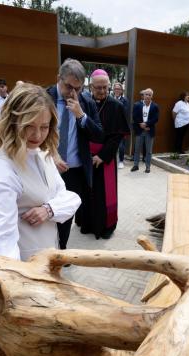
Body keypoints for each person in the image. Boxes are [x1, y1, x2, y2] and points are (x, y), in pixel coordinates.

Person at [0, 84, 80, 261]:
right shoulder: (1, 168)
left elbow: (68, 197)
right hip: (26, 265)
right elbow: (2, 239)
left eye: (44, 126)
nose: (37, 135)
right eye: (29, 125)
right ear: (12, 122)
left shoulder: (41, 153)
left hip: (48, 254)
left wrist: (48, 210)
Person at [46, 58, 103, 250]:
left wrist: (81, 116)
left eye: (77, 88)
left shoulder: (86, 102)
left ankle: (61, 252)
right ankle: (44, 250)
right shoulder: (44, 97)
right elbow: (28, 133)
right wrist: (49, 154)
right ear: (58, 78)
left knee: (65, 214)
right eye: (68, 86)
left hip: (75, 171)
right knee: (44, 211)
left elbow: (99, 135)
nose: (72, 92)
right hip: (45, 167)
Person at [80, 69, 130, 240]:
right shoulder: (84, 103)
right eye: (98, 88)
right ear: (91, 87)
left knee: (104, 194)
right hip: (86, 158)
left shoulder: (116, 106)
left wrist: (102, 156)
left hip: (105, 158)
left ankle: (106, 226)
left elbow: (118, 136)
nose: (102, 91)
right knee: (87, 192)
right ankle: (87, 224)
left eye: (104, 87)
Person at [131, 88, 159, 173]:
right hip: (139, 130)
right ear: (143, 95)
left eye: (149, 95)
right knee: (137, 149)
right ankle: (136, 165)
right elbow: (134, 117)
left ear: (152, 96)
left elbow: (155, 118)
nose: (147, 96)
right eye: (146, 94)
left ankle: (147, 167)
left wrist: (146, 124)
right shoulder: (137, 105)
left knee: (149, 151)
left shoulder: (155, 106)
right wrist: (141, 125)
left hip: (149, 131)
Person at [113, 82, 129, 168]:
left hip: (121, 127)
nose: (116, 90)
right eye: (115, 89)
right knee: (111, 143)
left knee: (121, 145)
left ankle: (121, 161)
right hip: (111, 126)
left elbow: (124, 112)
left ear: (121, 90)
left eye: (118, 89)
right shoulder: (110, 98)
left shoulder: (124, 100)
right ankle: (112, 160)